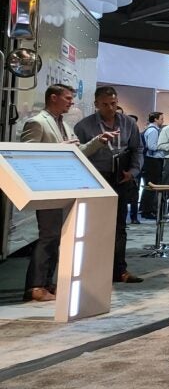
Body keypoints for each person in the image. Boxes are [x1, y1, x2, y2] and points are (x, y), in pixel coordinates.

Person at [20, 84, 90, 302]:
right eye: (67, 98)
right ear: (53, 98)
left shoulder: (63, 124)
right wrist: (61, 148)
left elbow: (72, 152)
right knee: (48, 237)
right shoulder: (37, 122)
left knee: (57, 238)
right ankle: (35, 286)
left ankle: (47, 282)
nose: (71, 102)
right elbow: (26, 156)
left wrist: (97, 142)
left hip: (63, 186)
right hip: (47, 187)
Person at [74, 85, 145, 285]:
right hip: (95, 180)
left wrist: (133, 172)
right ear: (96, 104)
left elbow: (137, 149)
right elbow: (78, 154)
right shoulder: (84, 126)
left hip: (121, 178)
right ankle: (91, 270)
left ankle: (120, 270)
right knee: (92, 227)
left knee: (119, 226)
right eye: (105, 104)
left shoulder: (129, 123)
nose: (110, 108)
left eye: (113, 103)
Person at [139, 112, 164, 219]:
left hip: (150, 161)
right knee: (152, 186)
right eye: (161, 119)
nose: (163, 121)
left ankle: (146, 209)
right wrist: (164, 145)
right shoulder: (153, 131)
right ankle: (148, 210)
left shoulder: (149, 130)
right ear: (155, 119)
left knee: (149, 186)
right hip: (152, 161)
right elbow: (152, 146)